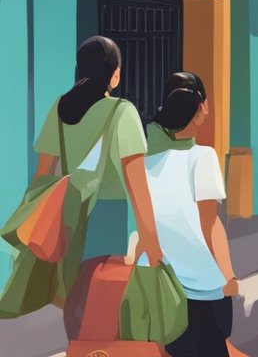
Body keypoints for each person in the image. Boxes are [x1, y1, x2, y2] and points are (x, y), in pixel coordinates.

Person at [31, 37, 163, 292]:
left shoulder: (59, 109)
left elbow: (42, 178)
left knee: (78, 304)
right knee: (107, 306)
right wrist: (153, 246)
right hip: (112, 222)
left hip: (71, 217)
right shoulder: (122, 112)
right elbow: (138, 189)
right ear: (114, 75)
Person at [140, 74, 242, 357]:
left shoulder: (145, 161)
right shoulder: (203, 157)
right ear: (200, 108)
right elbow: (210, 223)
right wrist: (228, 276)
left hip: (159, 279)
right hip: (201, 283)